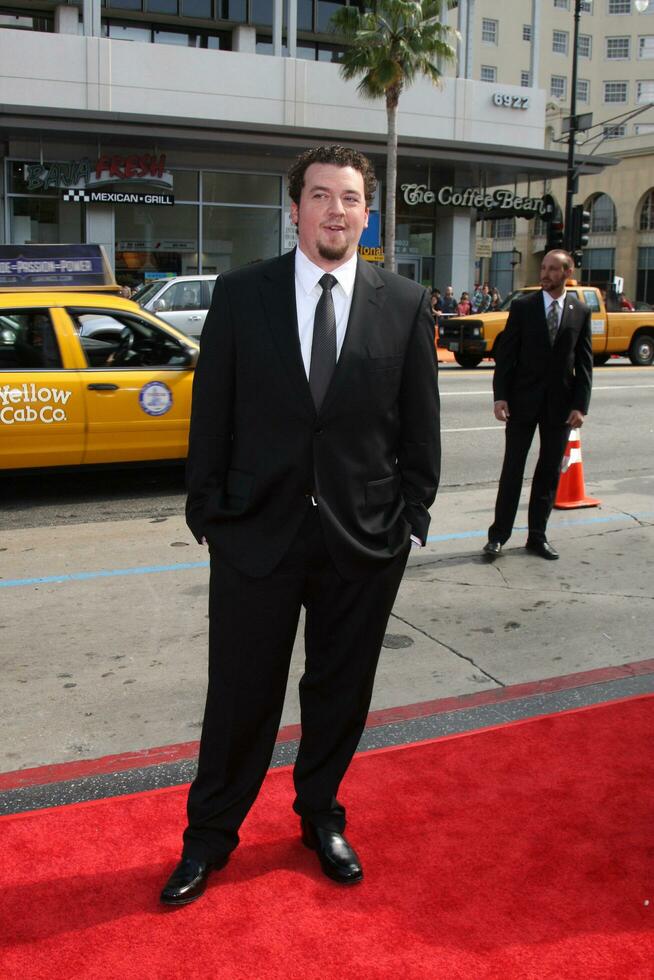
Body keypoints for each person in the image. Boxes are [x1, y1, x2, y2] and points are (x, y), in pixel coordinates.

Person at [160, 144, 441, 906]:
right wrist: (207, 512)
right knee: (240, 696)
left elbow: (420, 429)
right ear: (295, 209)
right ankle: (208, 838)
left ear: (367, 213)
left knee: (339, 694)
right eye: (320, 195)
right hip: (256, 535)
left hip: (364, 539)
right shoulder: (242, 295)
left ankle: (320, 815)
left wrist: (411, 516)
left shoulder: (406, 304)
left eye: (349, 197)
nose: (336, 210)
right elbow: (210, 413)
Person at [482, 249, 592, 561]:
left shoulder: (580, 311)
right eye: (543, 267)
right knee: (512, 469)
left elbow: (584, 363)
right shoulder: (523, 307)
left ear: (566, 273)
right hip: (521, 402)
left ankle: (537, 537)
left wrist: (580, 406)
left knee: (548, 473)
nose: (544, 273)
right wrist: (500, 396)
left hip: (560, 406)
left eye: (552, 269)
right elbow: (506, 356)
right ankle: (498, 536)